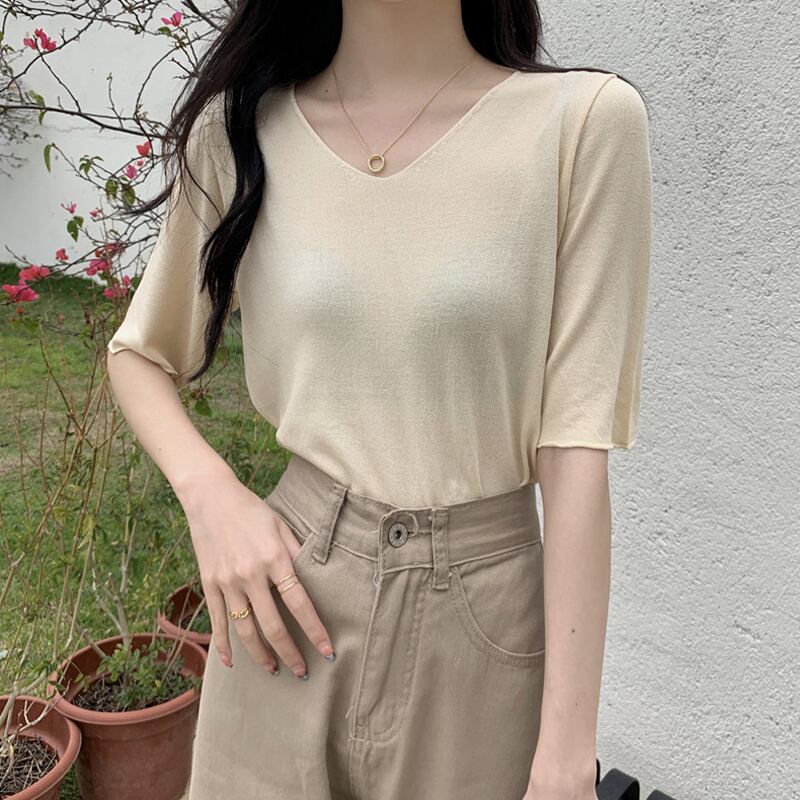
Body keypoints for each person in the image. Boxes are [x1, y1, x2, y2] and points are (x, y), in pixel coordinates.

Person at [106, 2, 652, 798]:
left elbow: (575, 450)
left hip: (483, 628)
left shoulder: (584, 125)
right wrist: (212, 497)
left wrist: (567, 755)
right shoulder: (241, 132)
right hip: (287, 604)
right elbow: (139, 354)